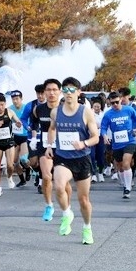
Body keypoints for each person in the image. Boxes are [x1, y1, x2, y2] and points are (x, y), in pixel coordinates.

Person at [44, 77, 98, 244]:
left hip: (82, 158)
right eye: (65, 90)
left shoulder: (86, 112)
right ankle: (67, 213)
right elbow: (52, 129)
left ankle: (87, 227)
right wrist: (49, 145)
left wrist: (84, 143)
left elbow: (95, 137)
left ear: (78, 92)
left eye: (72, 90)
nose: (68, 93)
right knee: (59, 186)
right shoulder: (56, 112)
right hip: (63, 157)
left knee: (83, 200)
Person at [30, 79, 63, 220]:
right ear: (44, 92)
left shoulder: (65, 109)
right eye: (48, 90)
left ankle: (66, 208)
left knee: (62, 183)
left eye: (54, 90)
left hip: (62, 147)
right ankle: (49, 205)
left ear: (60, 91)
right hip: (44, 146)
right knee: (47, 176)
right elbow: (34, 123)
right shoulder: (38, 109)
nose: (51, 93)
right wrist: (33, 138)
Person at [100, 91, 136, 199]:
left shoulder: (129, 109)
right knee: (119, 166)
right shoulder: (108, 114)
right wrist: (104, 136)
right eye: (112, 103)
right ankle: (124, 183)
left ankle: (128, 188)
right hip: (117, 143)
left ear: (121, 100)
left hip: (129, 140)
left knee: (126, 163)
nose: (115, 105)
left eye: (117, 102)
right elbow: (103, 127)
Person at [0, 94, 23, 189]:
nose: (0, 107)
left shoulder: (9, 112)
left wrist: (18, 123)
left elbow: (18, 121)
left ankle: (9, 177)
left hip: (9, 143)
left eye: (2, 105)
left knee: (10, 165)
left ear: (5, 104)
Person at [8, 90, 31, 187]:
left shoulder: (26, 107)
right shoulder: (10, 109)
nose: (15, 101)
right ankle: (22, 179)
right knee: (15, 161)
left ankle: (28, 168)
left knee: (24, 159)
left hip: (25, 136)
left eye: (17, 99)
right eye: (13, 99)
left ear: (21, 99)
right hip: (15, 136)